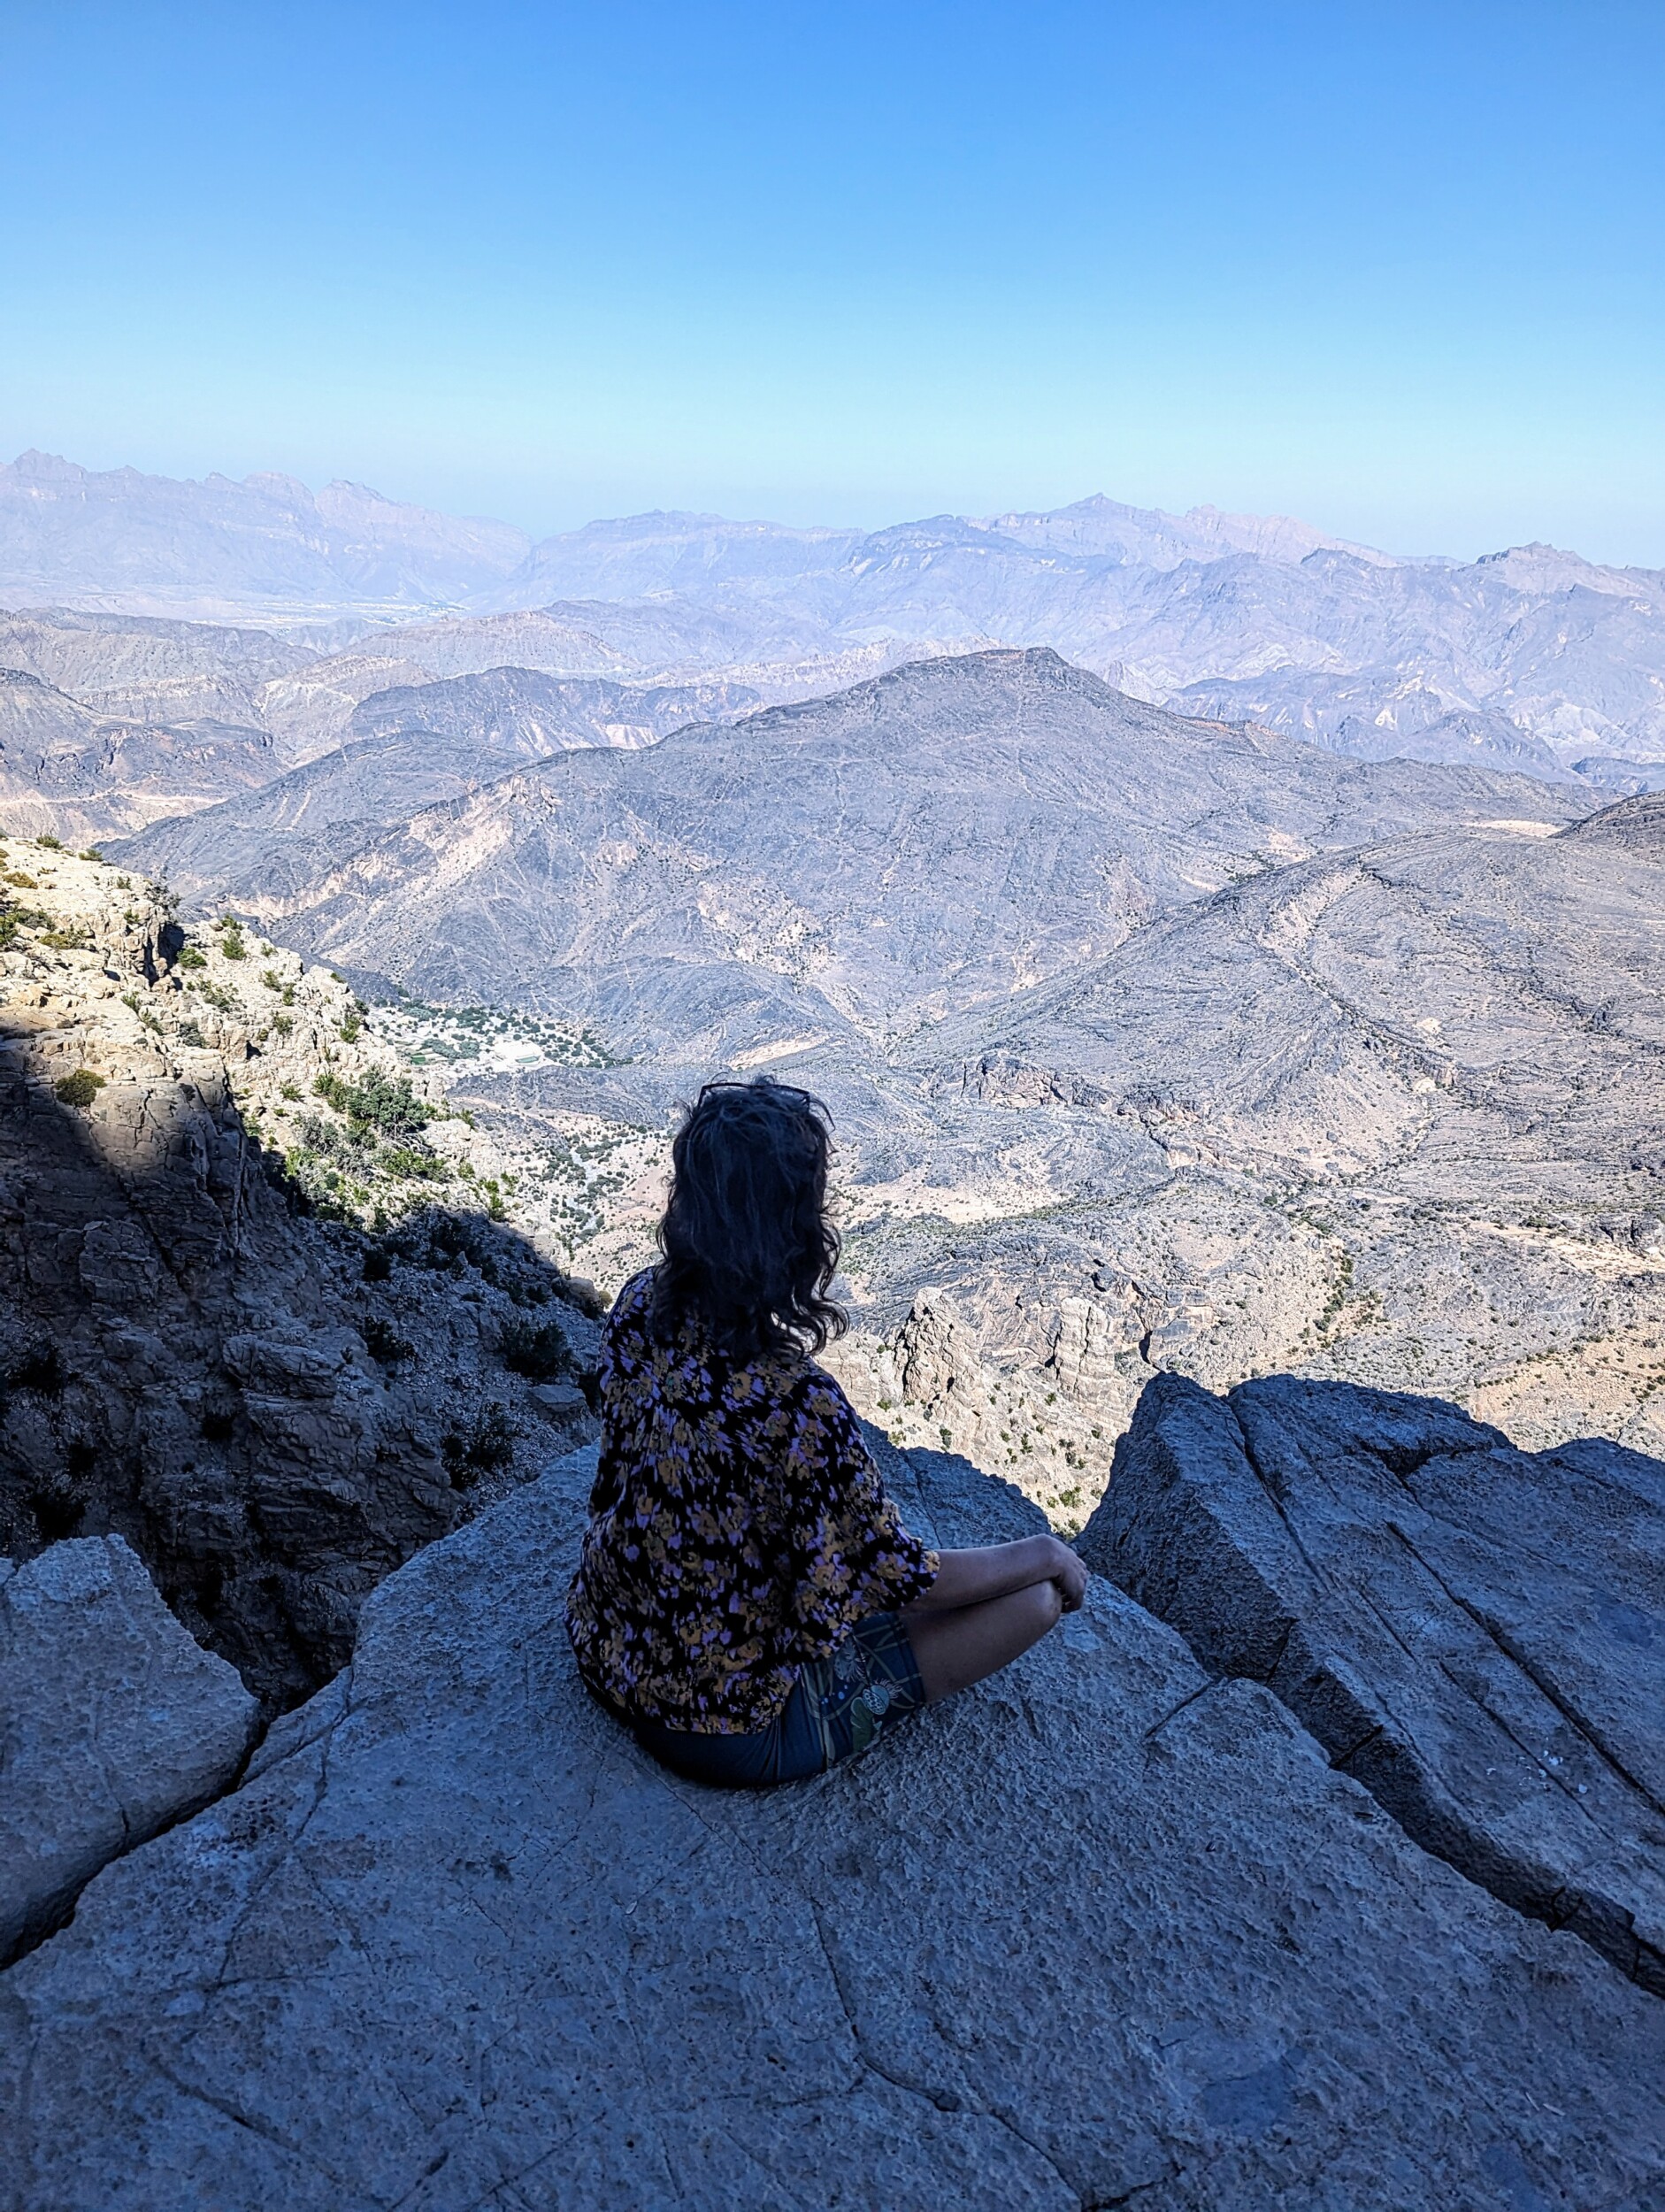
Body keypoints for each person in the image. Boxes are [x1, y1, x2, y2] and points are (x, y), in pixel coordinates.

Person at [564, 1076, 1086, 1787]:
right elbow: (902, 1577)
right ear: (797, 1235)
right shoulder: (799, 1406)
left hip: (603, 1636)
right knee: (1036, 1603)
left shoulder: (637, 1305)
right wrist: (1044, 1551)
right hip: (717, 1728)